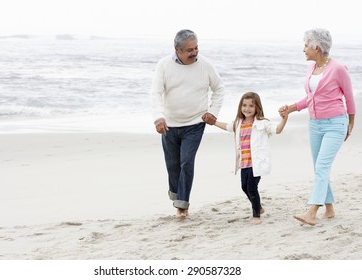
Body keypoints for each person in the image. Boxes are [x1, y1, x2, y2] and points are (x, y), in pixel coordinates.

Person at [279, 28, 356, 226]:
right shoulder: (311, 68)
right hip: (315, 124)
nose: (304, 49)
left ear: (317, 47)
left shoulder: (338, 68)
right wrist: (292, 108)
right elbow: (310, 98)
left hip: (335, 124)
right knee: (319, 168)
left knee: (322, 166)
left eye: (306, 45)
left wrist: (351, 122)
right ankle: (329, 209)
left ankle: (312, 211)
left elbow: (349, 96)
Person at [150, 29, 225, 219]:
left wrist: (212, 112)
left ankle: (182, 206)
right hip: (170, 124)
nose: (194, 52)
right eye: (189, 50)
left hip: (195, 123)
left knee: (186, 162)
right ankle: (177, 194)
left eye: (196, 48)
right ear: (177, 50)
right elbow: (156, 93)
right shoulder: (164, 65)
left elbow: (219, 89)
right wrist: (158, 117)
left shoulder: (205, 65)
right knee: (173, 164)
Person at [214, 92, 288, 224]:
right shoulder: (238, 123)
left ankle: (256, 215)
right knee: (244, 187)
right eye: (244, 105)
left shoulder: (262, 123)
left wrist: (284, 119)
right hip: (244, 162)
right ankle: (258, 207)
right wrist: (213, 122)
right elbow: (227, 127)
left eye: (251, 106)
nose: (247, 109)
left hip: (257, 162)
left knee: (252, 188)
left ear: (257, 108)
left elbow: (277, 130)